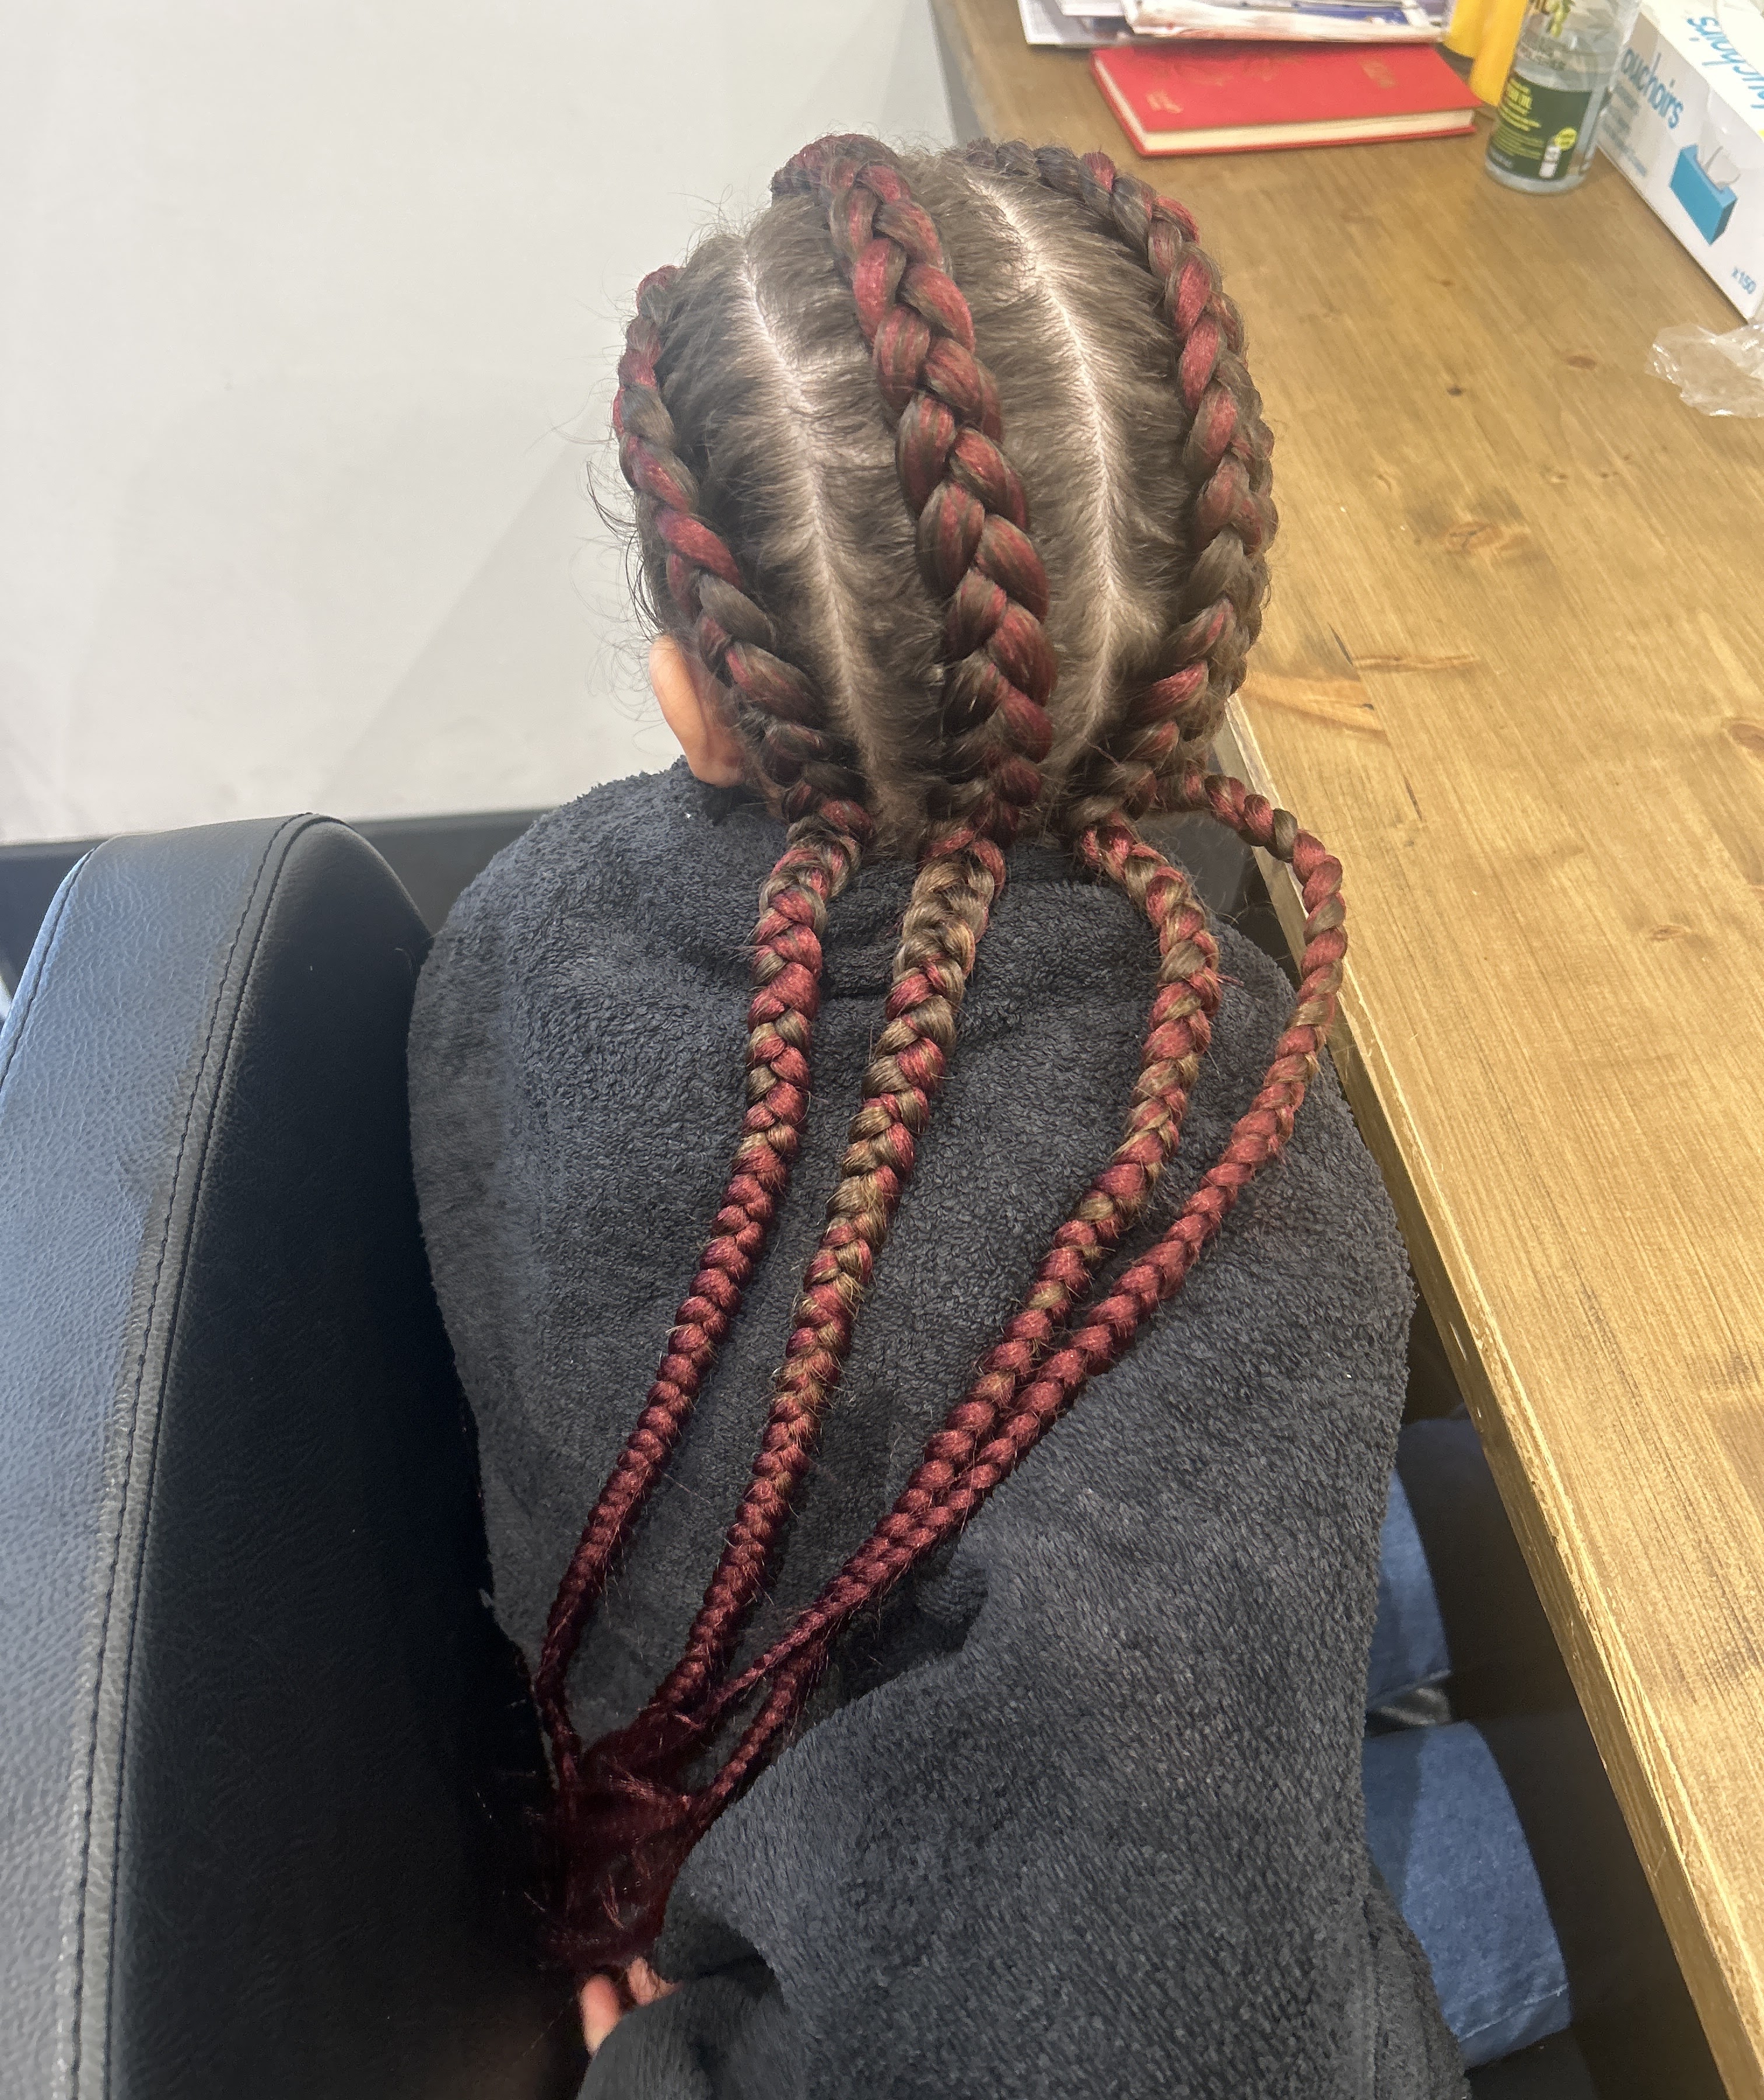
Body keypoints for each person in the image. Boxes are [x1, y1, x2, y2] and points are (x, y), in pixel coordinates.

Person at [409, 134, 1472, 2095]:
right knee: (1582, 1812)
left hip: (689, 1784)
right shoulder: (1230, 1167)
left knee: (1439, 1553)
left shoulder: (525, 927)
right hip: (858, 1978)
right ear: (1193, 667)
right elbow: (1154, 2025)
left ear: (693, 694)